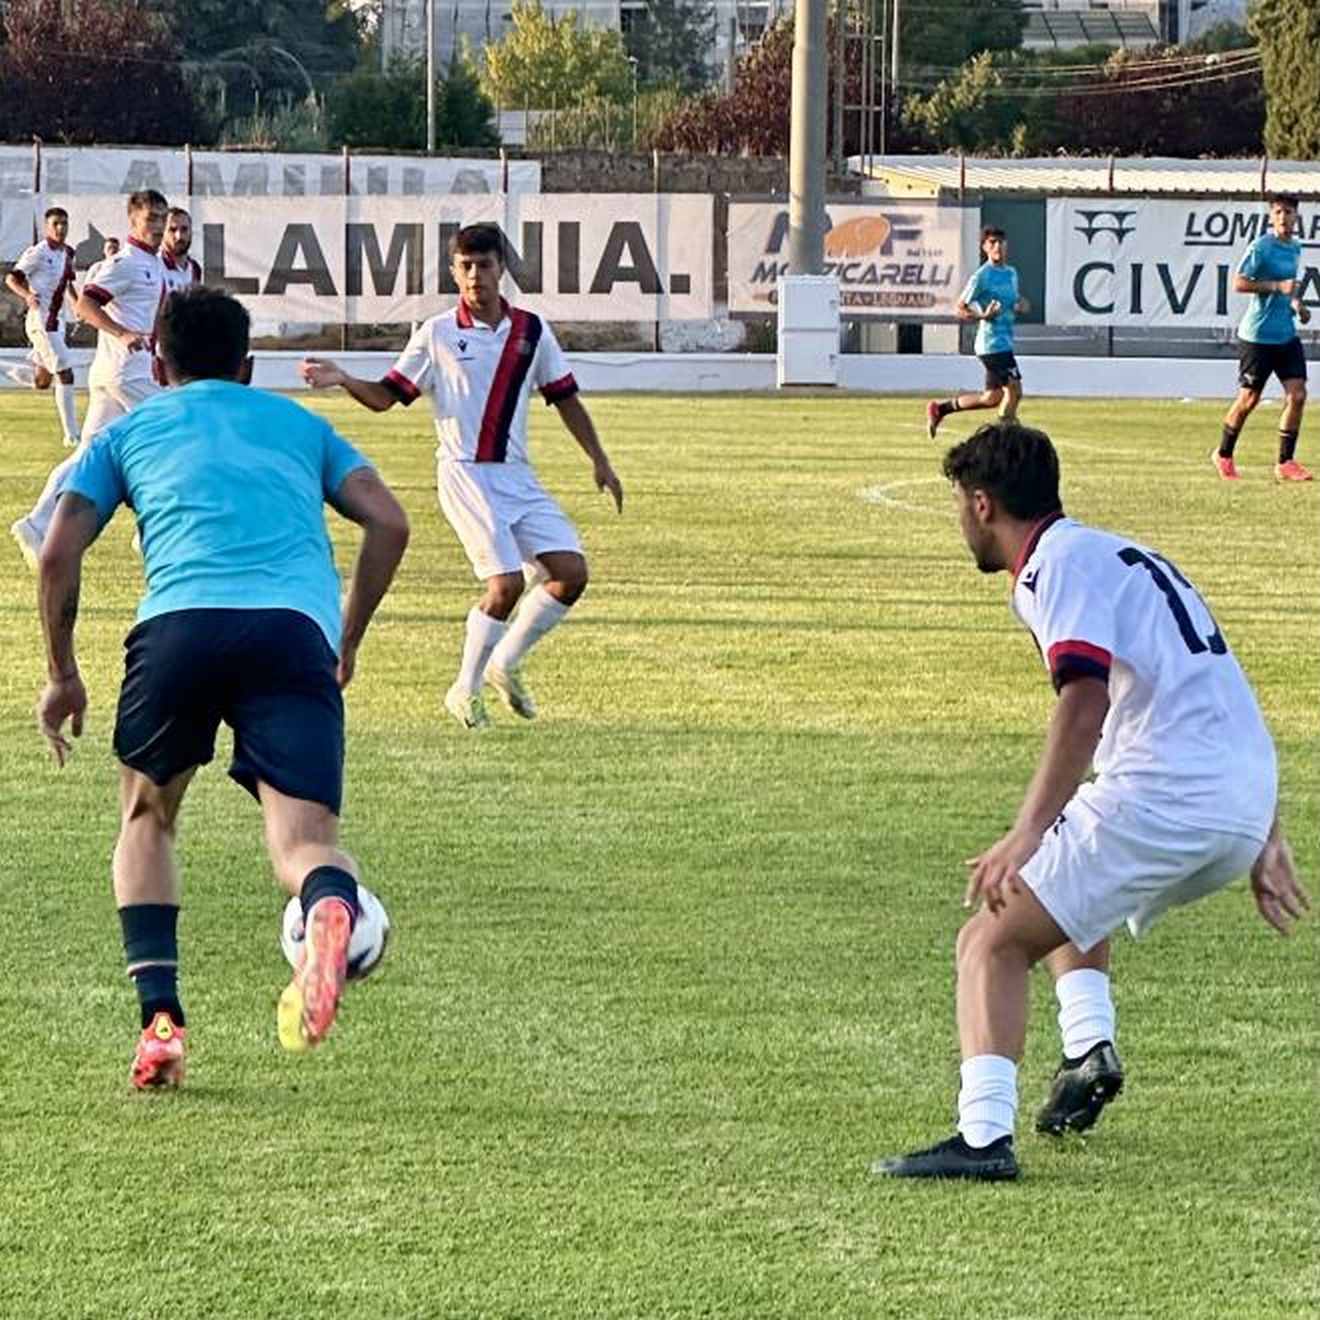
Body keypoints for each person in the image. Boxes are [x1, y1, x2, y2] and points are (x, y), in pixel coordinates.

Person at [873, 422, 1307, 1182]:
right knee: (1066, 882)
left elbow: (1083, 700)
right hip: (1234, 800)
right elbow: (1219, 688)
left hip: (1169, 798)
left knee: (988, 942)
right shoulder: (1119, 555)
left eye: (960, 504)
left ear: (983, 504)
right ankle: (1086, 1046)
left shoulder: (1056, 567)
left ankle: (983, 1137)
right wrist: (1264, 828)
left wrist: (1026, 829)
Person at [35, 286, 410, 1088]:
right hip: (291, 635)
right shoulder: (300, 425)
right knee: (304, 846)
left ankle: (161, 1026)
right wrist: (345, 638)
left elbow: (57, 551)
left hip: (178, 631)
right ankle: (327, 906)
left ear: (159, 363)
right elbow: (389, 521)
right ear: (247, 366)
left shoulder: (128, 431)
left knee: (147, 818)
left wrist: (63, 672)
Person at [301, 221, 623, 730]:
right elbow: (387, 397)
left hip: (516, 476)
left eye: (484, 265)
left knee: (570, 573)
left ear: (501, 269)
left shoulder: (532, 331)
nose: (475, 276)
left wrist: (600, 460)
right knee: (505, 584)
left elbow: (564, 397)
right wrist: (344, 378)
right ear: (453, 271)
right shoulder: (438, 334)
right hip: (465, 475)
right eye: (466, 266)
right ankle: (463, 690)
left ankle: (504, 663)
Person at [11, 191, 168, 568]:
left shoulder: (151, 262)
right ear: (133, 221)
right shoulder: (127, 262)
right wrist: (121, 333)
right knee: (172, 436)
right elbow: (84, 304)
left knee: (87, 454)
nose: (159, 226)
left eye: (162, 218)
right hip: (126, 371)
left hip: (117, 373)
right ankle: (151, 531)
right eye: (151, 218)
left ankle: (36, 523)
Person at [1215, 193, 1312, 482]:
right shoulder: (1261, 247)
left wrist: (1297, 305)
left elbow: (1289, 289)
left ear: (1296, 216)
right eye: (1278, 212)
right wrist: (1275, 286)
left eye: (1288, 212)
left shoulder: (1294, 247)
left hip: (1286, 335)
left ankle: (1285, 462)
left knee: (1298, 395)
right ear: (1271, 216)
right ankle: (1223, 454)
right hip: (1258, 337)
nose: (1283, 217)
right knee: (1249, 399)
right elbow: (1239, 282)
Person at [926, 226, 1028, 440]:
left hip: (1004, 342)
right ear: (985, 248)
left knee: (992, 398)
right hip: (992, 344)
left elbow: (1016, 300)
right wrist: (983, 316)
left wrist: (1021, 305)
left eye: (1000, 242)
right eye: (992, 243)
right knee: (1014, 391)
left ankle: (941, 409)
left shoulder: (1011, 273)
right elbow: (959, 309)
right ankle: (1005, 437)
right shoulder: (981, 276)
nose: (997, 246)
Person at [3, 205, 81, 447]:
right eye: (55, 223)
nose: (60, 228)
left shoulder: (68, 253)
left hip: (56, 323)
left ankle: (5, 368)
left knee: (43, 382)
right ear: (47, 227)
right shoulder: (38, 252)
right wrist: (27, 295)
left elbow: (68, 283)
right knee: (66, 372)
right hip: (41, 321)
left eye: (64, 223)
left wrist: (77, 304)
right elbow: (12, 278)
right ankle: (71, 435)